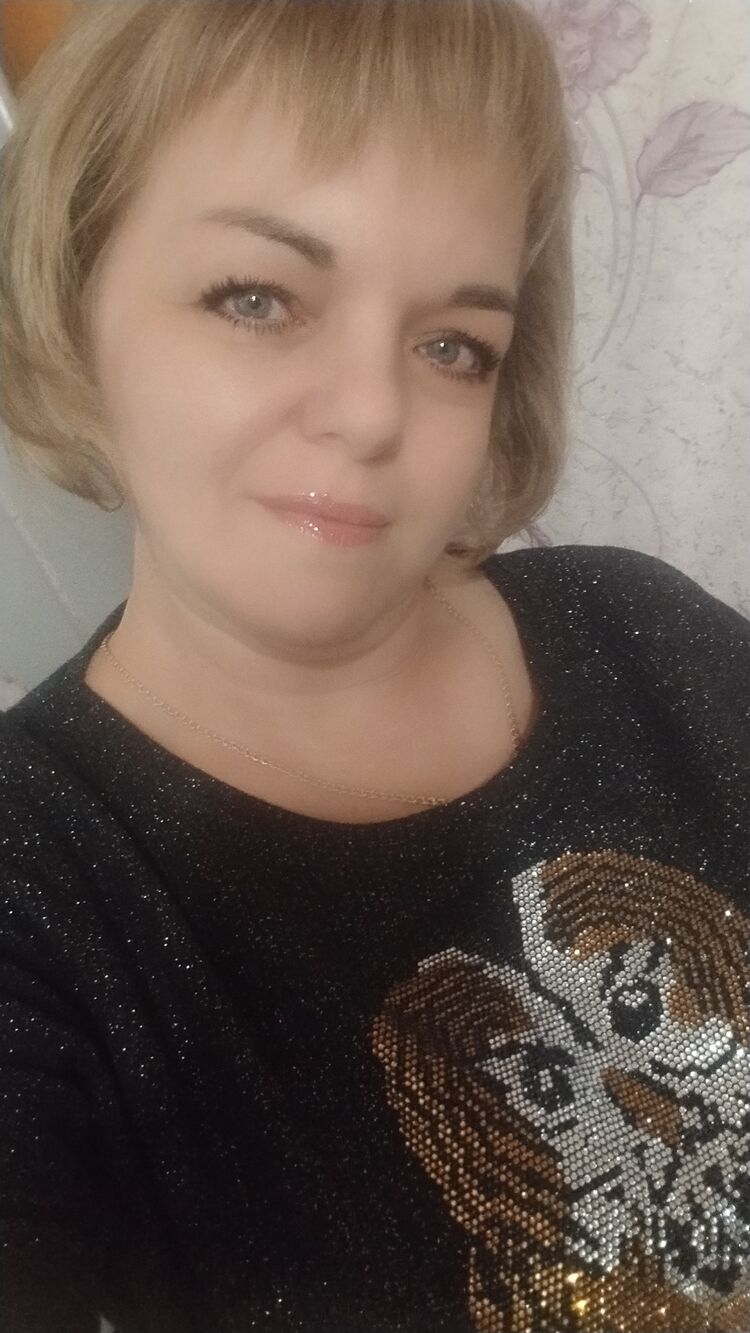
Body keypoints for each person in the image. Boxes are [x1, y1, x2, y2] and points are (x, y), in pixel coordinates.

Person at [0, 2, 748, 1331]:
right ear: (74, 293)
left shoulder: (641, 631)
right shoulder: (37, 887)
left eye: (451, 342)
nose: (372, 412)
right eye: (258, 298)